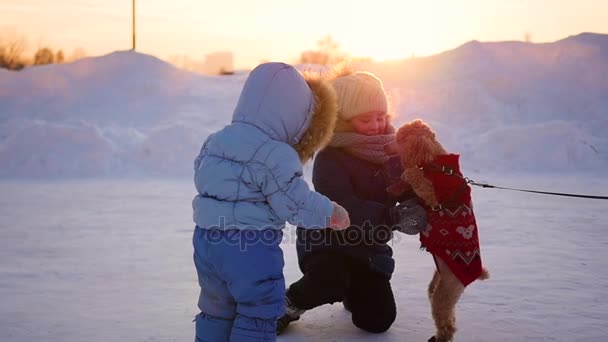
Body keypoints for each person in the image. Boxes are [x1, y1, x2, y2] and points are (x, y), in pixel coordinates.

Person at [191, 62, 351, 342]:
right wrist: (330, 213)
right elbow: (294, 202)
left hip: (206, 241)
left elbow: (200, 174)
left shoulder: (215, 140)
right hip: (249, 247)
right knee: (259, 310)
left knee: (216, 308)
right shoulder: (274, 153)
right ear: (294, 116)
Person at [277, 70, 427, 334]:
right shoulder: (331, 156)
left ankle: (352, 287)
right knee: (329, 281)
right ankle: (288, 303)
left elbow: (405, 188)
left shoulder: (392, 153)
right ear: (344, 121)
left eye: (380, 117)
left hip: (367, 249)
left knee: (377, 320)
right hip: (328, 242)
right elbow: (344, 206)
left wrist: (422, 200)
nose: (376, 125)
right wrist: (392, 217)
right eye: (366, 119)